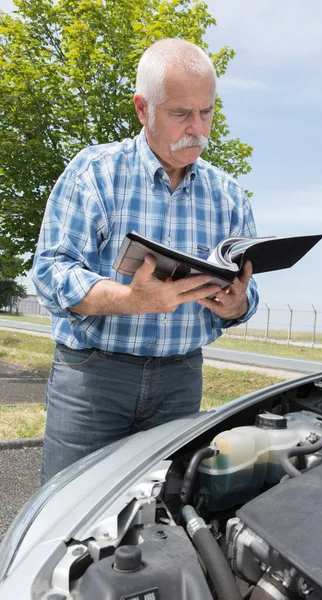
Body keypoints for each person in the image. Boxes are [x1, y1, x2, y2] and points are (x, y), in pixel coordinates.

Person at [32, 38, 259, 483]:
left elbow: (246, 291)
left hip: (181, 378)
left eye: (207, 111)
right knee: (69, 511)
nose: (198, 127)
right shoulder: (93, 172)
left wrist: (238, 306)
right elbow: (51, 272)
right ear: (142, 109)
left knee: (161, 518)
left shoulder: (229, 195)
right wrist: (131, 298)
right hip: (94, 378)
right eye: (181, 114)